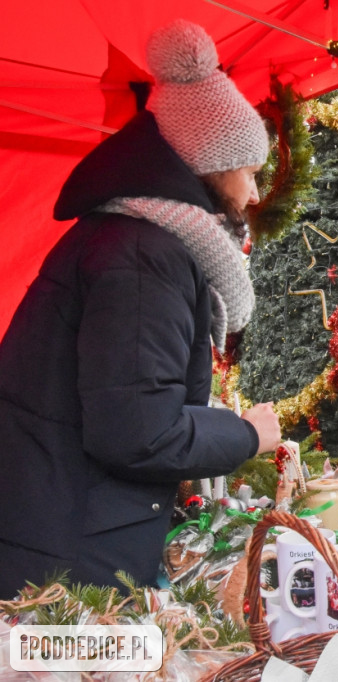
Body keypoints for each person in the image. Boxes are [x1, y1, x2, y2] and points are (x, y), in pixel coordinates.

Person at [0, 20, 281, 598]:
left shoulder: (135, 240)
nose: (254, 195)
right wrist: (246, 435)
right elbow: (136, 433)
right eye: (251, 174)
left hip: (66, 523)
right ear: (213, 165)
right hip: (71, 556)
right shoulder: (140, 257)